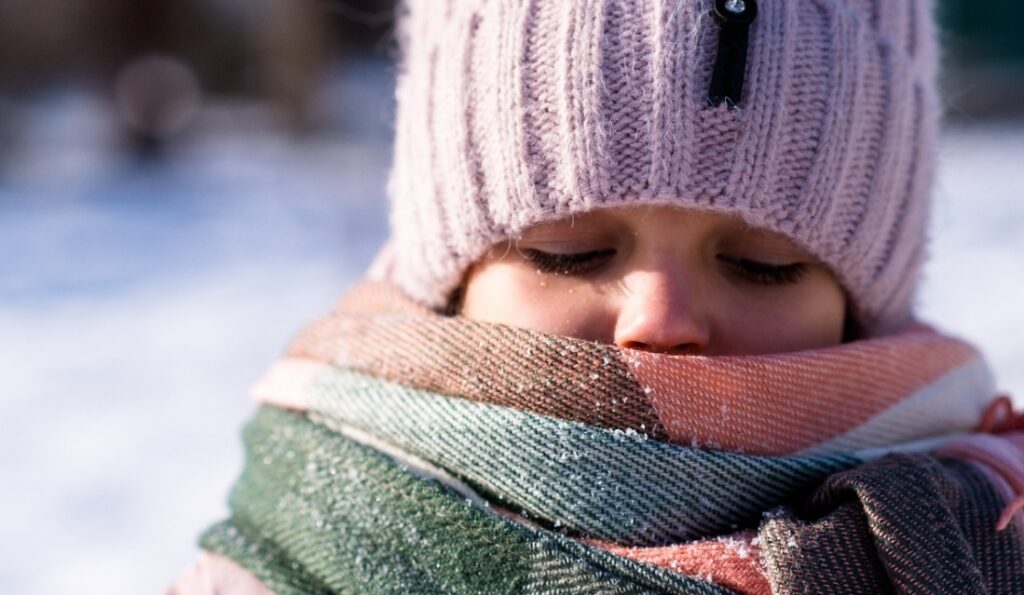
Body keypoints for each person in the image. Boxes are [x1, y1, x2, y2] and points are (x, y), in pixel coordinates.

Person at [171, 0, 1024, 592]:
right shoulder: (278, 568)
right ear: (454, 280)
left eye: (762, 263)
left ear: (861, 306)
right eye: (568, 251)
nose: (659, 319)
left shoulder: (985, 542)